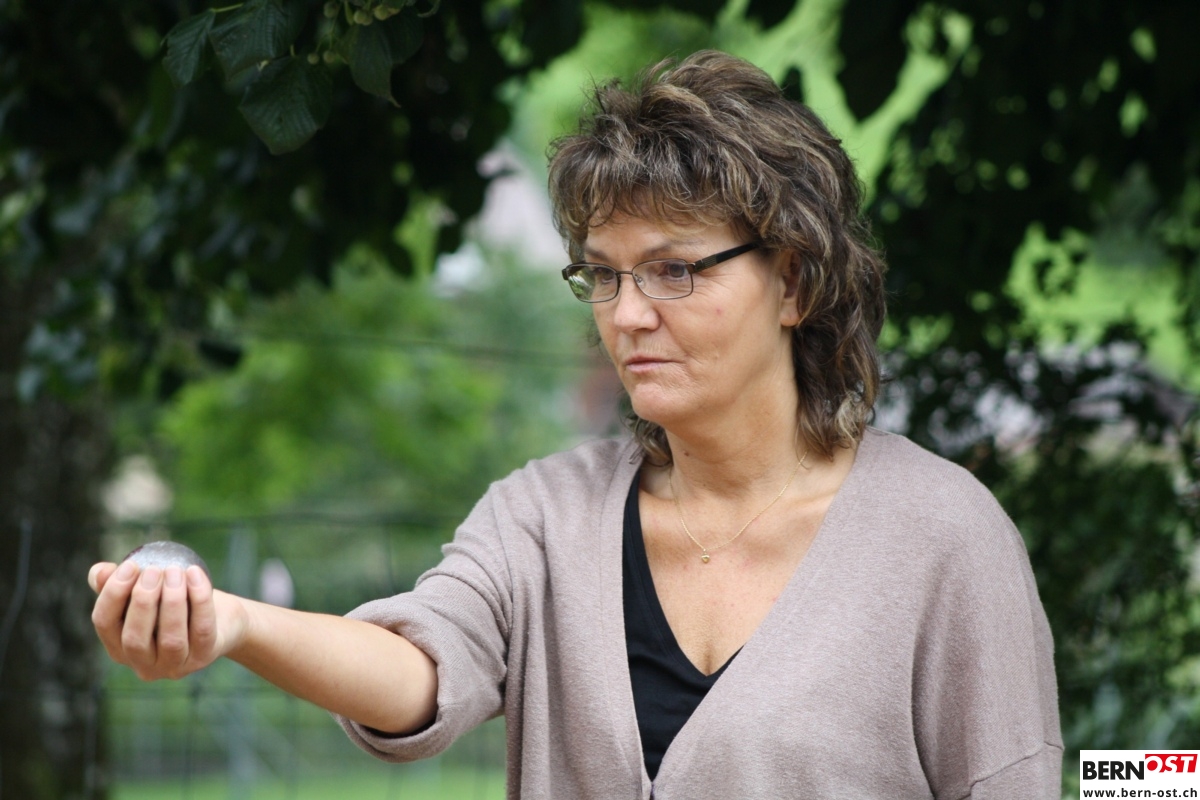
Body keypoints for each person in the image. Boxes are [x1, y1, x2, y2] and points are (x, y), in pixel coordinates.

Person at [89, 50, 1062, 798]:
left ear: (794, 282)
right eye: (602, 273)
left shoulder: (943, 536)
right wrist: (233, 624)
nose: (627, 313)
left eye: (674, 269)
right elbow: (420, 666)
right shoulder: (543, 516)